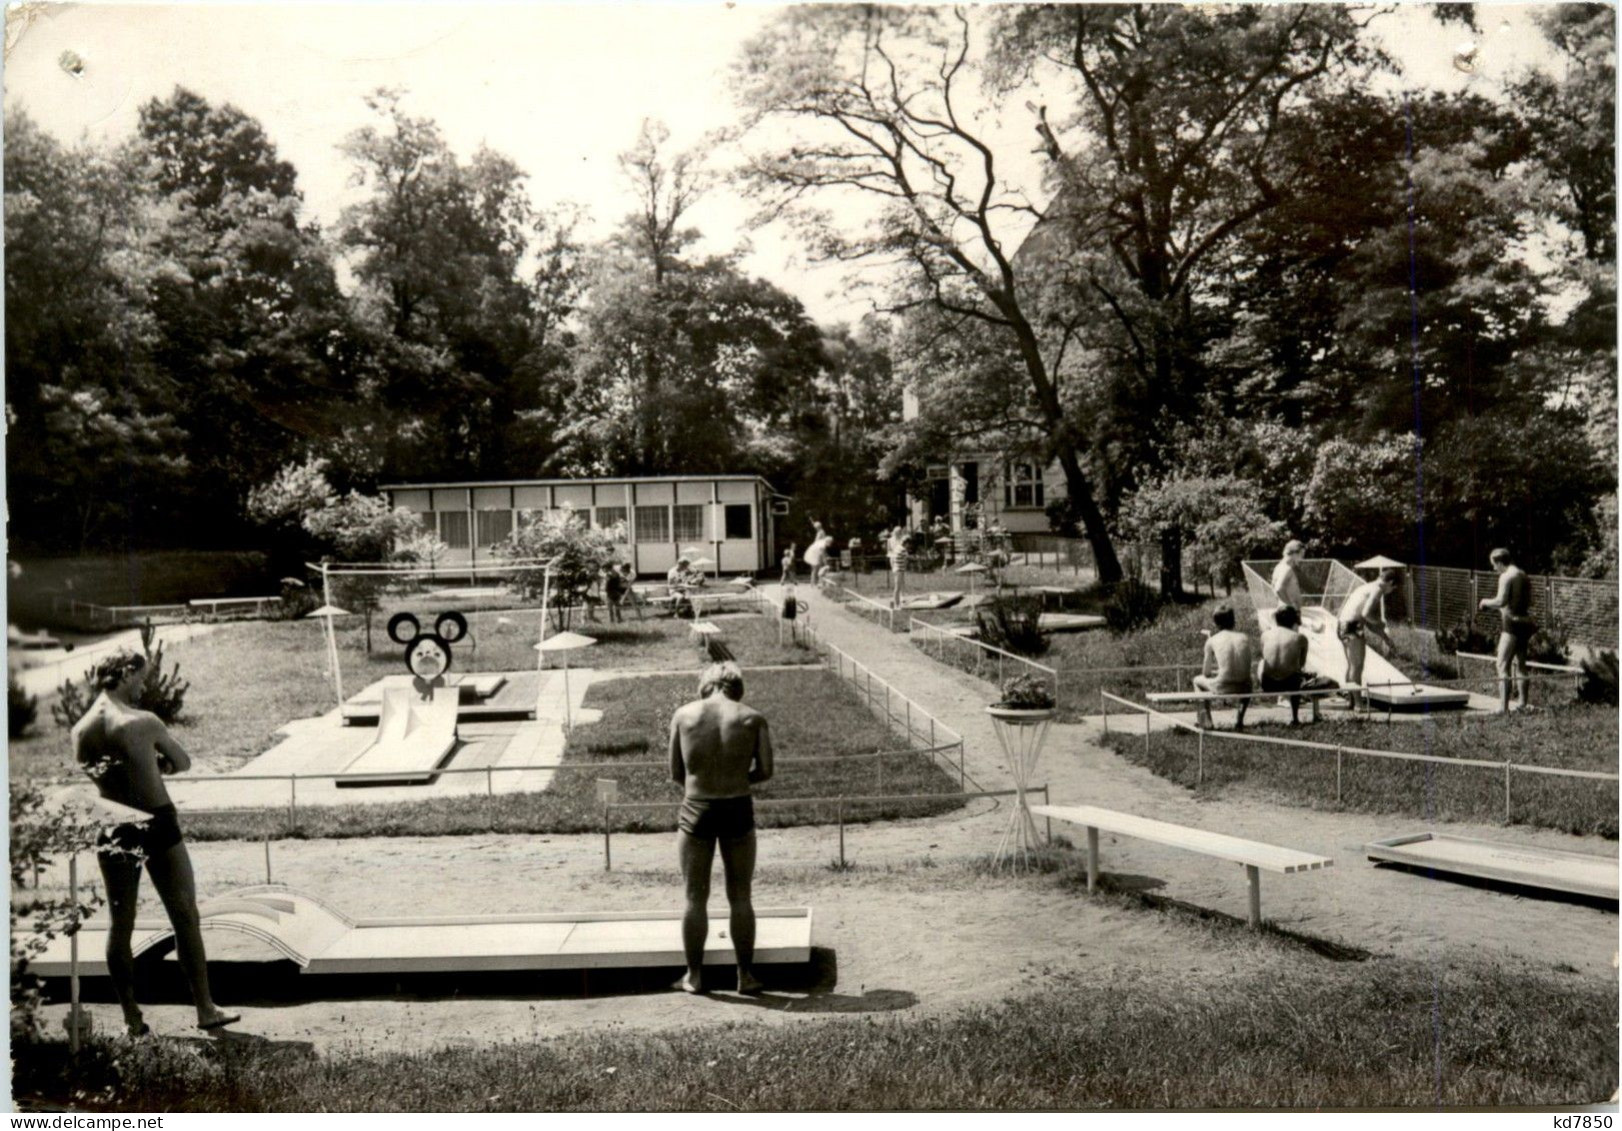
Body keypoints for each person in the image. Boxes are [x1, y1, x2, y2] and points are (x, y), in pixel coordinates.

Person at [73, 650, 240, 1037]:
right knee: (185, 915)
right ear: (127, 673)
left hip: (113, 826)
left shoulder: (80, 729)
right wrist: (157, 764)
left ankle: (132, 1018)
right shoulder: (141, 722)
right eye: (142, 677)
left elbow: (108, 775)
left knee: (121, 925)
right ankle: (205, 1009)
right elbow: (183, 762)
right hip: (156, 821)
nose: (144, 684)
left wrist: (142, 765)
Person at [668, 662, 774, 995]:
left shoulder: (683, 716)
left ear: (706, 684)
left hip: (697, 809)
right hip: (737, 807)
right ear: (736, 686)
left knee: (694, 899)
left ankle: (694, 976)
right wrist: (737, 778)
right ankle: (745, 976)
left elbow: (675, 773)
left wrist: (705, 782)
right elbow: (766, 770)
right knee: (741, 897)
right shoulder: (752, 718)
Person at [1336, 566, 1403, 711]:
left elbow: (1368, 622)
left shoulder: (1366, 587)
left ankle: (1351, 701)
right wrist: (1380, 623)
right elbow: (1367, 615)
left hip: (1343, 625)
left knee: (1351, 665)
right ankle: (1359, 705)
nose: (1390, 592)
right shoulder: (1377, 589)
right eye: (1392, 589)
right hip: (1353, 627)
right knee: (1357, 666)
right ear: (1390, 582)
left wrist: (1385, 638)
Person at [1478, 547, 1535, 714]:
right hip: (1524, 622)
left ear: (1500, 562)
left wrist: (1485, 602)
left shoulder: (1506, 576)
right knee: (1521, 666)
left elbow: (1501, 601)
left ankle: (1503, 708)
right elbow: (1527, 601)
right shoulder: (1523, 575)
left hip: (1511, 625)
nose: (1494, 569)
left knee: (1502, 665)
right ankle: (1523, 704)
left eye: (1494, 565)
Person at [1259, 604, 1338, 725]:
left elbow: (1266, 657)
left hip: (1267, 684)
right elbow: (1301, 665)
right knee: (1297, 674)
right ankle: (1295, 717)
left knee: (1261, 663)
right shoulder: (1300, 638)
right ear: (1293, 621)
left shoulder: (1265, 635)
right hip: (1290, 685)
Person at [1191, 604, 1259, 728]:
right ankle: (1239, 720)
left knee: (1197, 680)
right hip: (1244, 687)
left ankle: (1206, 721)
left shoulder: (1211, 640)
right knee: (1249, 681)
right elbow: (1243, 666)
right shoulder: (1244, 637)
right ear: (1233, 621)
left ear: (1216, 623)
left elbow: (1205, 673)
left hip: (1222, 686)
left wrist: (1216, 670)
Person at [1270, 540, 1306, 609]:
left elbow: (1273, 587)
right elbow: (1278, 589)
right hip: (1288, 612)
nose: (1302, 558)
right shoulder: (1287, 569)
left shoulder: (1279, 566)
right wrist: (1291, 606)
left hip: (1284, 610)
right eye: (1301, 554)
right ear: (1294, 553)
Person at [886, 526, 909, 608]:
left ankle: (902, 597)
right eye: (897, 532)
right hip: (894, 559)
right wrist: (894, 557)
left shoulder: (902, 539)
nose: (899, 533)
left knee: (902, 580)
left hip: (901, 559)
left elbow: (905, 551)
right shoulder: (890, 540)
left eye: (900, 532)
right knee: (897, 581)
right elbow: (889, 551)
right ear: (894, 532)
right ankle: (896, 602)